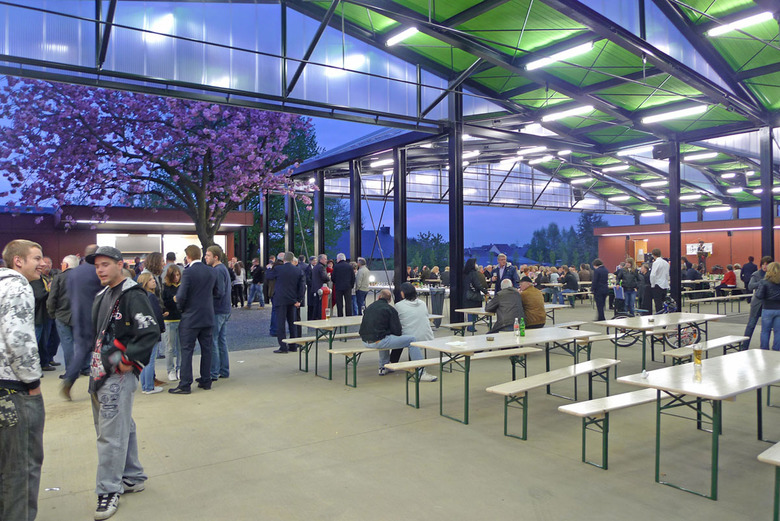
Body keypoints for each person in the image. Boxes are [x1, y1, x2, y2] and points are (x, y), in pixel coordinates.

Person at [86, 246, 159, 520]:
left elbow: (149, 330)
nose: (100, 270)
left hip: (117, 374)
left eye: (105, 264)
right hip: (100, 371)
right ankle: (132, 476)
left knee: (111, 433)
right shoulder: (103, 295)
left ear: (120, 264)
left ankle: (108, 489)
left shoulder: (132, 295)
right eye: (97, 266)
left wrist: (130, 359)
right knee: (119, 427)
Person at [0, 239, 45, 521]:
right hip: (13, 390)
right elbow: (18, 339)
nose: (42, 263)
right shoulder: (17, 286)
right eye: (37, 258)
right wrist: (32, 383)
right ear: (18, 261)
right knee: (21, 468)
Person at [169, 245, 216, 395]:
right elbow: (217, 292)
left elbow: (181, 295)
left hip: (190, 317)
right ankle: (206, 379)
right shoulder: (211, 271)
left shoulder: (188, 272)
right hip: (207, 316)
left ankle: (185, 384)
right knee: (207, 349)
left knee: (187, 351)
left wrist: (180, 307)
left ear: (188, 257)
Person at [61, 244, 103, 398]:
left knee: (81, 350)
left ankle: (69, 379)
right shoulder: (98, 271)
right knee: (101, 352)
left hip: (78, 315)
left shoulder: (74, 272)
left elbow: (69, 294)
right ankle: (97, 386)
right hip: (96, 316)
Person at [359, 289, 418, 376]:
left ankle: (383, 367)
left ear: (379, 297)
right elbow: (397, 331)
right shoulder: (390, 309)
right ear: (390, 300)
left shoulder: (369, 307)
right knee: (411, 339)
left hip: (365, 341)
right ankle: (419, 368)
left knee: (383, 336)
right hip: (379, 342)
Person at [393, 283, 437, 382]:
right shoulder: (422, 303)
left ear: (402, 293)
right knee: (407, 334)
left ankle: (390, 363)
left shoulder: (398, 306)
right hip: (427, 335)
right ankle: (393, 362)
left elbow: (395, 322)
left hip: (411, 339)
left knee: (397, 335)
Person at [266, 252, 305, 353]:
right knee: (292, 323)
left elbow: (269, 276)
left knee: (281, 324)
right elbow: (302, 287)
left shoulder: (278, 269)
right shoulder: (298, 270)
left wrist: (269, 268)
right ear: (292, 260)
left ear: (284, 260)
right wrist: (299, 300)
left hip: (280, 299)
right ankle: (293, 345)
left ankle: (283, 346)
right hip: (293, 300)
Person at [47, 254, 78, 378]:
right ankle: (86, 367)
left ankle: (71, 371)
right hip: (80, 315)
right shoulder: (83, 277)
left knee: (67, 343)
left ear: (66, 265)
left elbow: (52, 298)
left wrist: (52, 314)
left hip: (62, 315)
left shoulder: (59, 278)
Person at [205, 245, 232, 381]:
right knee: (221, 341)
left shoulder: (217, 270)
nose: (205, 257)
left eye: (208, 255)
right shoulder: (223, 269)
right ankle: (224, 370)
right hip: (224, 309)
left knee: (214, 341)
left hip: (218, 310)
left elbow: (219, 291)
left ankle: (214, 372)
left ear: (216, 257)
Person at [136, 273, 166, 395]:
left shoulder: (138, 296)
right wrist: (161, 328)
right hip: (152, 331)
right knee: (150, 361)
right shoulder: (151, 297)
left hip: (141, 331)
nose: (154, 281)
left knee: (144, 361)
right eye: (150, 280)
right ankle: (149, 387)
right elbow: (156, 315)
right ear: (145, 283)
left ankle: (145, 386)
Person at [743, 256, 773, 350]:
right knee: (751, 324)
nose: (765, 266)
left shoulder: (774, 274)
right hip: (757, 303)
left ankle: (764, 348)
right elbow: (750, 286)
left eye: (767, 264)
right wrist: (762, 282)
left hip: (769, 303)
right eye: (763, 264)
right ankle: (744, 347)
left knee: (766, 327)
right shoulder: (756, 274)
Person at [161, 265, 182, 381]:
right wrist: (172, 301)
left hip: (181, 319)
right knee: (169, 348)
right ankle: (170, 370)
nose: (176, 278)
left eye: (178, 275)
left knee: (181, 347)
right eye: (174, 275)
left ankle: (180, 368)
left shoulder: (182, 286)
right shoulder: (165, 287)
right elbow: (163, 303)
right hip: (169, 321)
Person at [756, 262, 780, 351]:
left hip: (767, 308)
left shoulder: (764, 282)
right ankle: (777, 350)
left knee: (765, 331)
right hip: (779, 309)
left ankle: (764, 349)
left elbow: (759, 296)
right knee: (778, 331)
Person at [463, 258, 488, 332]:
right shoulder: (474, 273)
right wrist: (485, 291)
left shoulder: (465, 273)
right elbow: (477, 284)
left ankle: (470, 326)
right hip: (474, 295)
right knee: (473, 311)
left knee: (469, 311)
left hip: (466, 294)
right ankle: (471, 327)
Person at [331, 253, 355, 317]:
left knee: (339, 303)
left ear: (339, 259)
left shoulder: (336, 267)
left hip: (338, 287)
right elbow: (353, 277)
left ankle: (340, 316)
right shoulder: (349, 266)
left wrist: (336, 283)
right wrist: (351, 285)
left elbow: (333, 278)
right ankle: (348, 316)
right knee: (348, 303)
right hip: (348, 287)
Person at [649, 249, 670, 314]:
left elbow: (653, 274)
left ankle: (659, 317)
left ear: (653, 255)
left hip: (657, 285)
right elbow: (667, 274)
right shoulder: (666, 263)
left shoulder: (656, 263)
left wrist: (652, 284)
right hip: (665, 285)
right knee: (664, 303)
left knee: (658, 304)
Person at [310, 254, 329, 321]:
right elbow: (324, 277)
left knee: (316, 305)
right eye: (325, 259)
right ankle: (320, 317)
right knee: (321, 305)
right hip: (321, 289)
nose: (326, 260)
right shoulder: (321, 267)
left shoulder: (315, 267)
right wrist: (328, 277)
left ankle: (315, 318)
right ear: (321, 259)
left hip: (315, 288)